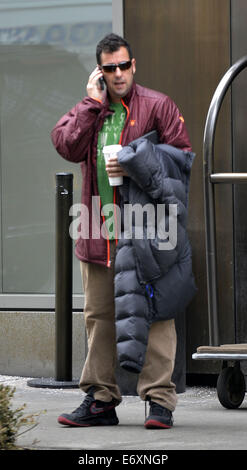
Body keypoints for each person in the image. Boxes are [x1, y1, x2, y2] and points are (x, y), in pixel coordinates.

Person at [51, 33, 192, 429]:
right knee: (99, 315)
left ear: (134, 65)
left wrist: (135, 165)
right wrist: (91, 103)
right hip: (99, 227)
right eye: (109, 68)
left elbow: (181, 161)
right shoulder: (94, 109)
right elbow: (65, 144)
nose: (118, 74)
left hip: (148, 229)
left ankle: (160, 400)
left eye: (123, 66)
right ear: (100, 71)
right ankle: (100, 400)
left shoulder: (158, 105)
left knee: (157, 313)